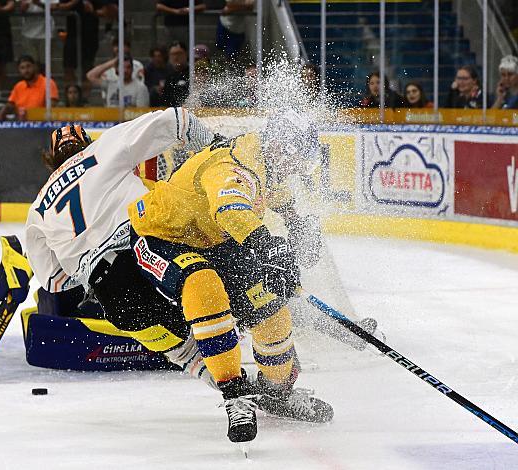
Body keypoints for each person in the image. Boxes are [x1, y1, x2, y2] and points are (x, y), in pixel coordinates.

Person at [127, 109, 335, 442]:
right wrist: (269, 246)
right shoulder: (233, 165)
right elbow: (230, 209)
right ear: (282, 143)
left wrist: (295, 223)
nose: (297, 167)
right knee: (203, 287)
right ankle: (235, 395)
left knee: (271, 311)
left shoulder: (266, 160)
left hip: (216, 238)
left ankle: (276, 393)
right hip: (164, 236)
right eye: (296, 156)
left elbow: (275, 195)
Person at [21, 111, 227, 431]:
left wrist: (84, 268)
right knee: (212, 287)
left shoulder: (38, 208)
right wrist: (216, 147)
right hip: (147, 247)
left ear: (51, 161)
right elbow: (176, 120)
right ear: (85, 142)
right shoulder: (102, 149)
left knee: (175, 345)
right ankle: (253, 341)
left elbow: (53, 280)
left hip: (111, 293)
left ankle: (229, 385)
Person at [0, 55, 59, 121]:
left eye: (28, 66)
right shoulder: (19, 86)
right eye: (22, 68)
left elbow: (52, 107)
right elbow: (10, 105)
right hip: (23, 126)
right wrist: (0, 115)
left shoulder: (48, 83)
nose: (26, 70)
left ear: (35, 66)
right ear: (19, 70)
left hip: (42, 124)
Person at [162, 41, 190, 107]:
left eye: (179, 53)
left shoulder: (192, 74)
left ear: (186, 54)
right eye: (173, 54)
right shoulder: (168, 76)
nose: (176, 57)